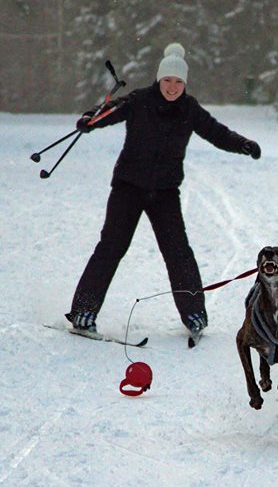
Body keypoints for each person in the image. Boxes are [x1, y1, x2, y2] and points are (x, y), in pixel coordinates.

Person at [65, 43, 261, 340]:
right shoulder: (139, 100)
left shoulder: (190, 109)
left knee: (178, 252)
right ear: (159, 80)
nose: (172, 87)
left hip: (165, 193)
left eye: (178, 82)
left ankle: (194, 314)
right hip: (128, 187)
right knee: (111, 247)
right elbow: (108, 112)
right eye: (167, 81)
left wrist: (243, 144)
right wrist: (90, 119)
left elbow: (217, 132)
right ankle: (83, 312)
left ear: (184, 83)